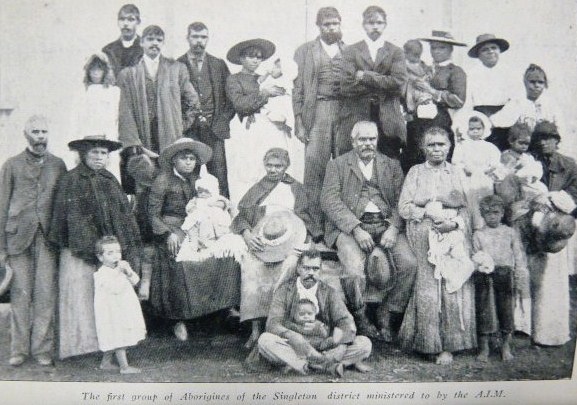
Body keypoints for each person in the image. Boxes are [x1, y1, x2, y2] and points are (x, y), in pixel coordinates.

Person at [117, 24, 200, 300]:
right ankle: (145, 284)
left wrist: (179, 131)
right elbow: (124, 111)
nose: (154, 43)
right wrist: (135, 145)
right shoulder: (129, 74)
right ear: (141, 42)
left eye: (159, 39)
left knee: (170, 200)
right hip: (143, 148)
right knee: (144, 207)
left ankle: (172, 285)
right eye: (150, 39)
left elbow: (192, 103)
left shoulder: (176, 69)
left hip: (167, 144)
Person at [321, 121, 417, 341]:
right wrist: (355, 229)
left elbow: (402, 200)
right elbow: (329, 200)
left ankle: (388, 309)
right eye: (362, 139)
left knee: (410, 264)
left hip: (385, 224)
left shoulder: (391, 165)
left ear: (377, 140)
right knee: (354, 270)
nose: (367, 144)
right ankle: (360, 314)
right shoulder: (337, 165)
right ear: (353, 141)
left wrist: (393, 228)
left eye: (371, 139)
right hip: (351, 227)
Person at [48, 135, 141, 360]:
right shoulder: (71, 180)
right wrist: (94, 249)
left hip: (108, 253)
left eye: (104, 153)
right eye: (94, 153)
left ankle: (107, 348)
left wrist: (117, 247)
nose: (99, 157)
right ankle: (80, 347)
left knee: (109, 302)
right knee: (81, 296)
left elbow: (122, 216)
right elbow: (72, 218)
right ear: (83, 155)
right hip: (79, 250)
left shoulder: (110, 179)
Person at [398, 127, 476, 365]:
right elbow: (404, 207)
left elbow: (467, 209)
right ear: (423, 148)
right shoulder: (415, 172)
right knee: (429, 283)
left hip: (452, 229)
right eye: (431, 145)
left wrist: (452, 224)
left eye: (441, 144)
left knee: (451, 283)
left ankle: (451, 344)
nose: (436, 149)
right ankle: (428, 343)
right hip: (423, 227)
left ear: (449, 147)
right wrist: (428, 214)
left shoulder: (456, 173)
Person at [230, 148, 320, 348]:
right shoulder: (258, 187)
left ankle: (278, 326)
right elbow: (242, 217)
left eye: (277, 166)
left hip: (292, 238)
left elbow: (310, 219)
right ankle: (255, 329)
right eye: (269, 165)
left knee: (289, 265)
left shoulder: (296, 188)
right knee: (251, 266)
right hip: (264, 239)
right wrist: (247, 235)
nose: (272, 170)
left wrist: (307, 241)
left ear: (286, 166)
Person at [0, 115, 66, 366]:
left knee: (45, 294)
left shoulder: (58, 165)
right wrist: (0, 248)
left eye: (44, 132)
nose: (40, 136)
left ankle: (42, 350)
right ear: (26, 135)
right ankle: (18, 349)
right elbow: (1, 205)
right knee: (20, 294)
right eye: (35, 132)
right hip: (17, 238)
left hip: (47, 239)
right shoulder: (11, 165)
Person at [258, 248, 372, 377]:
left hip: (324, 345)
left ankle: (305, 364)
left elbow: (346, 323)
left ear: (320, 270)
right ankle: (328, 364)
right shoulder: (285, 290)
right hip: (294, 345)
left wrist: (342, 347)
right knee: (265, 340)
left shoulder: (329, 292)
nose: (311, 273)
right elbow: (273, 323)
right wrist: (293, 336)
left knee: (364, 343)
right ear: (298, 269)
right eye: (306, 268)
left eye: (315, 269)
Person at [293, 6, 346, 239]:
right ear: (318, 26)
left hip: (344, 114)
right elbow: (298, 88)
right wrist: (299, 120)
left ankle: (339, 226)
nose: (331, 28)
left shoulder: (349, 51)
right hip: (317, 112)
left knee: (344, 168)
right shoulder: (306, 51)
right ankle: (314, 227)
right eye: (327, 24)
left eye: (335, 23)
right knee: (315, 169)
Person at [225, 38, 294, 205]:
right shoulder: (234, 80)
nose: (255, 60)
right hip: (250, 131)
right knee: (250, 169)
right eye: (250, 56)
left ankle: (274, 208)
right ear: (241, 58)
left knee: (273, 166)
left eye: (259, 57)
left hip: (271, 130)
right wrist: (264, 94)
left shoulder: (267, 78)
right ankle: (247, 211)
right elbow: (240, 105)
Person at [528, 121, 577, 346]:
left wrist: (555, 200)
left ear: (557, 140)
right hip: (533, 225)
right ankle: (528, 331)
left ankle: (552, 333)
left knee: (554, 279)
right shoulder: (529, 162)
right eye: (539, 138)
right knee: (532, 277)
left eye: (549, 138)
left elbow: (575, 195)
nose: (544, 142)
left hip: (557, 226)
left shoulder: (569, 165)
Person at [336, 5, 407, 159]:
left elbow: (398, 83)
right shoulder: (351, 51)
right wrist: (384, 83)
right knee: (356, 162)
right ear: (363, 25)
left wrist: (365, 76)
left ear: (385, 25)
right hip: (358, 114)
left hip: (387, 118)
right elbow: (346, 86)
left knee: (388, 162)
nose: (375, 26)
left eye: (379, 23)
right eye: (370, 22)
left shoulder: (395, 51)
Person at [178, 22, 235, 198]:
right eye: (195, 37)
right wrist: (182, 124)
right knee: (188, 176)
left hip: (214, 130)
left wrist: (221, 122)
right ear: (187, 38)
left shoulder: (218, 65)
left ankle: (224, 219)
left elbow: (231, 99)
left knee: (219, 177)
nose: (199, 41)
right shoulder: (176, 65)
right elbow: (171, 101)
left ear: (207, 39)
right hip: (189, 130)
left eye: (203, 37)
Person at [472, 195, 529, 362]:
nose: (492, 216)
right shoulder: (479, 234)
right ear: (482, 214)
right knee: (485, 311)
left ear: (503, 213)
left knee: (506, 310)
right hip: (485, 276)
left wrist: (519, 272)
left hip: (505, 275)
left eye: (496, 212)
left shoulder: (509, 232)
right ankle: (484, 348)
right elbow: (475, 256)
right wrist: (481, 264)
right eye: (487, 213)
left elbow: (518, 255)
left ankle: (505, 346)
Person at [402, 31, 467, 171]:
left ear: (451, 49)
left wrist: (431, 91)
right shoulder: (422, 68)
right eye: (433, 48)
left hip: (439, 122)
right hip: (416, 123)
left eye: (441, 48)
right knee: (413, 160)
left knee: (436, 160)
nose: (436, 51)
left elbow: (458, 100)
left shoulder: (455, 71)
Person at [94, 236, 146, 374]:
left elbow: (136, 281)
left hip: (124, 309)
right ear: (100, 257)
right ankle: (124, 367)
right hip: (112, 313)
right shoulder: (101, 274)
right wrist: (118, 272)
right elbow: (114, 288)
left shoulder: (122, 268)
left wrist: (128, 271)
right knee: (118, 336)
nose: (115, 256)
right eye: (110, 253)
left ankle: (105, 363)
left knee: (117, 336)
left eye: (118, 252)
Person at [70, 53, 121, 180]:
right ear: (88, 71)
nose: (96, 72)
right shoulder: (81, 93)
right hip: (86, 141)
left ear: (105, 71)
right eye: (92, 69)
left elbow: (116, 119)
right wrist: (77, 147)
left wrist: (111, 141)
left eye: (99, 68)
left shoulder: (113, 92)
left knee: (108, 174)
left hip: (106, 140)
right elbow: (75, 120)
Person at [465, 33, 518, 150]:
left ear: (499, 50)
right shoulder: (471, 74)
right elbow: (467, 103)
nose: (490, 52)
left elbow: (516, 101)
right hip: (479, 122)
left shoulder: (510, 73)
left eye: (494, 48)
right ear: (478, 55)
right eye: (485, 50)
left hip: (505, 122)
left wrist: (495, 120)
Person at [491, 64, 565, 144]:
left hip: (544, 145)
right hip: (524, 146)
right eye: (532, 82)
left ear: (545, 84)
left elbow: (561, 129)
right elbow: (498, 121)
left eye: (540, 82)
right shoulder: (517, 102)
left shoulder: (551, 105)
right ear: (525, 83)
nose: (536, 85)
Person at [452, 112, 501, 228]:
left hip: (484, 178)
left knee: (484, 202)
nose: (475, 131)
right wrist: (464, 169)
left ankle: (485, 226)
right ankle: (471, 227)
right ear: (467, 129)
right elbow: (456, 161)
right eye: (472, 129)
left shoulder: (489, 146)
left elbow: (495, 161)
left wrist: (490, 169)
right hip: (468, 178)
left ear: (484, 129)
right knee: (470, 202)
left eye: (478, 129)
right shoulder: (462, 145)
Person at [175, 167, 233, 262]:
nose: (202, 194)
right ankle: (197, 243)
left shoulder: (216, 198)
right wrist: (193, 209)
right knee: (194, 228)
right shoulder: (196, 200)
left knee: (219, 229)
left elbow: (226, 204)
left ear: (212, 190)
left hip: (216, 219)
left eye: (206, 191)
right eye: (200, 191)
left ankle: (217, 241)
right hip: (200, 219)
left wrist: (215, 204)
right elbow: (188, 207)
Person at [283, 298, 347, 373]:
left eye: (309, 314)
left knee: (339, 343)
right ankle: (315, 363)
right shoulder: (293, 325)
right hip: (304, 348)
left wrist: (320, 329)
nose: (306, 316)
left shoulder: (317, 324)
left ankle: (329, 358)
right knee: (292, 344)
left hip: (320, 345)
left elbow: (324, 335)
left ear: (314, 314)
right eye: (301, 314)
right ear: (294, 315)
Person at [499, 122, 547, 199]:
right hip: (512, 184)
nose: (524, 146)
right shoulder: (507, 155)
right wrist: (520, 165)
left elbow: (534, 168)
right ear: (511, 141)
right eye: (521, 143)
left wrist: (534, 175)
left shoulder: (527, 156)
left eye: (527, 144)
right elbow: (507, 171)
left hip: (527, 182)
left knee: (542, 189)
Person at [102, 4, 143, 78]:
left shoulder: (145, 49)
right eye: (122, 19)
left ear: (138, 22)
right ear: (117, 22)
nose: (125, 23)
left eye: (131, 19)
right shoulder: (108, 50)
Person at [402, 39, 433, 120]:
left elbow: (428, 76)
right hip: (408, 91)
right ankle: (409, 111)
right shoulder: (403, 65)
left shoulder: (424, 66)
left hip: (420, 92)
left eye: (405, 52)